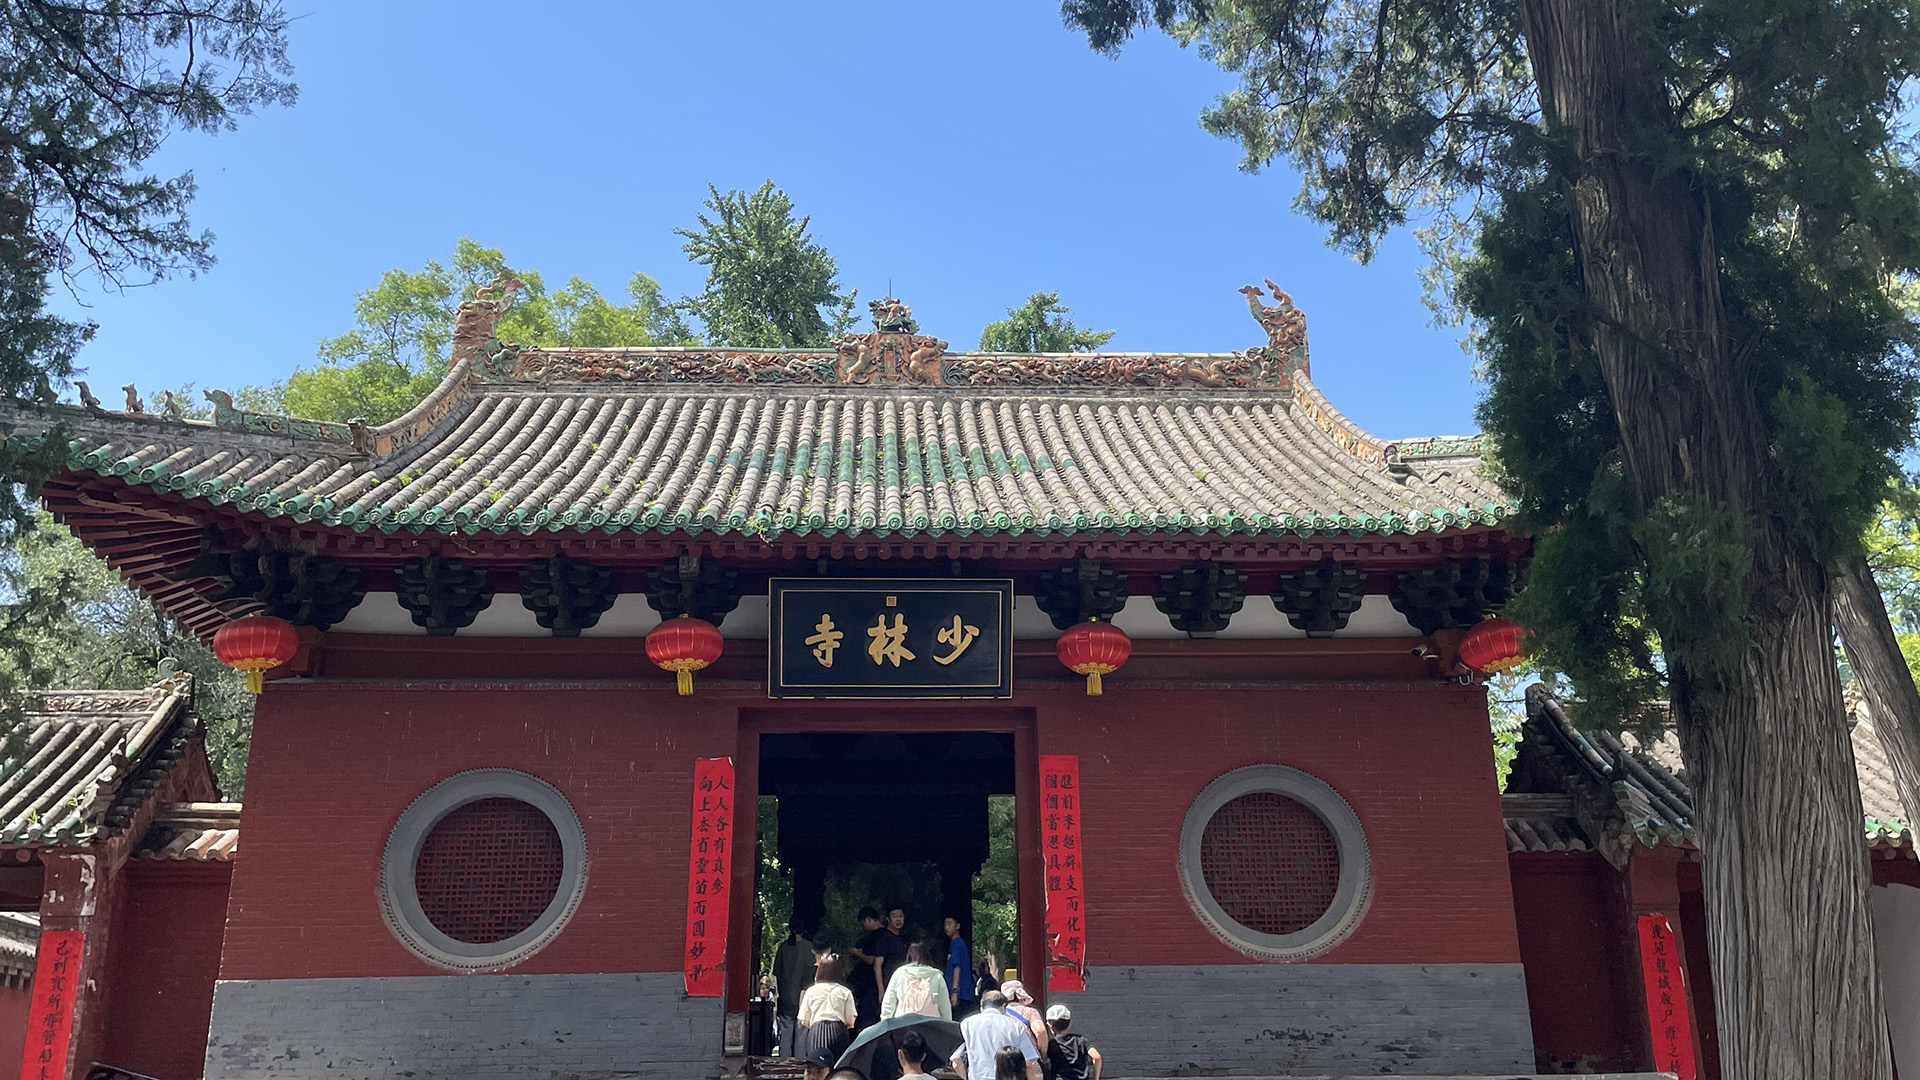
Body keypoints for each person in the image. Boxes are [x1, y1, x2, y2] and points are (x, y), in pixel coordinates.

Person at [952, 990, 1041, 1080]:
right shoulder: (1015, 1025)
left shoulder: (966, 1024)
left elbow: (956, 1061)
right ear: (1003, 1007)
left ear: (981, 1007)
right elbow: (1029, 1062)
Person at [795, 951, 856, 1069]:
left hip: (816, 1031)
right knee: (838, 1067)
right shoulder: (845, 992)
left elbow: (804, 1021)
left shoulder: (811, 991)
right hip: (838, 1031)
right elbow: (850, 1021)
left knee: (817, 1067)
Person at [774, 921, 818, 1055]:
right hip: (803, 998)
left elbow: (777, 974)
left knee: (785, 1036)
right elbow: (811, 974)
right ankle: (799, 1068)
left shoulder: (783, 948)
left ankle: (783, 1067)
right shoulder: (808, 947)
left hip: (786, 998)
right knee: (802, 1035)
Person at [880, 940, 952, 1020]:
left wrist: (885, 1022)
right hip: (931, 1024)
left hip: (902, 1023)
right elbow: (945, 1005)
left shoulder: (899, 974)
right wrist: (947, 1024)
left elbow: (889, 1002)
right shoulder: (936, 976)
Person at [849, 906, 888, 1027]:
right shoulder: (888, 936)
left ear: (868, 920)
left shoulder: (877, 938)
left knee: (867, 1021)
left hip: (871, 986)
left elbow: (873, 960)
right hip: (875, 984)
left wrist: (858, 954)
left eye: (863, 923)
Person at [1044, 1004, 1102, 1080]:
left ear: (1050, 1026)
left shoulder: (1052, 1044)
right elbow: (1097, 1057)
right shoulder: (1081, 1040)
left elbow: (1044, 1060)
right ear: (1069, 1023)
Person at [998, 980, 1050, 1066]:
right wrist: (1043, 1055)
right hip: (1029, 1059)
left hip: (1005, 1060)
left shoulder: (999, 1014)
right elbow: (1040, 1031)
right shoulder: (1029, 1012)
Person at [944, 916, 978, 1018]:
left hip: (961, 994)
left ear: (957, 926)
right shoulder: (956, 943)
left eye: (950, 924)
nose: (946, 927)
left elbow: (957, 967)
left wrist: (955, 992)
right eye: (945, 924)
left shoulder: (957, 943)